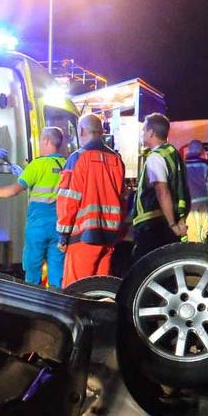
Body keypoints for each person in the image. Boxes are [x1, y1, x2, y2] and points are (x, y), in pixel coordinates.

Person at [0, 127, 67, 286]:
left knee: (32, 272)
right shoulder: (67, 165)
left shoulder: (37, 165)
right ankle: (56, 306)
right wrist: (24, 173)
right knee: (57, 273)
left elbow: (12, 191)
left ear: (46, 141)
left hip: (37, 227)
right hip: (60, 228)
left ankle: (33, 307)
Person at [55, 113, 126, 286]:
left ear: (81, 131)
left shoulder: (77, 158)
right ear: (101, 132)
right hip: (109, 238)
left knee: (76, 291)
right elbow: (122, 198)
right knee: (101, 290)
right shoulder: (116, 159)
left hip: (83, 238)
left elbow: (68, 200)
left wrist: (63, 236)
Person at [130, 113, 189, 262]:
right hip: (167, 219)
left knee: (144, 271)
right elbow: (181, 188)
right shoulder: (173, 153)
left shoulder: (156, 157)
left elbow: (162, 192)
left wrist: (172, 224)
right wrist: (179, 219)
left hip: (152, 224)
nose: (142, 133)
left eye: (144, 130)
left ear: (151, 133)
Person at [182, 140, 208, 243]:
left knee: (192, 229)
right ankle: (202, 251)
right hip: (204, 200)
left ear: (189, 150)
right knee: (203, 229)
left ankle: (196, 253)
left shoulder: (182, 165)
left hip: (190, 201)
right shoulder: (205, 164)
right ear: (201, 150)